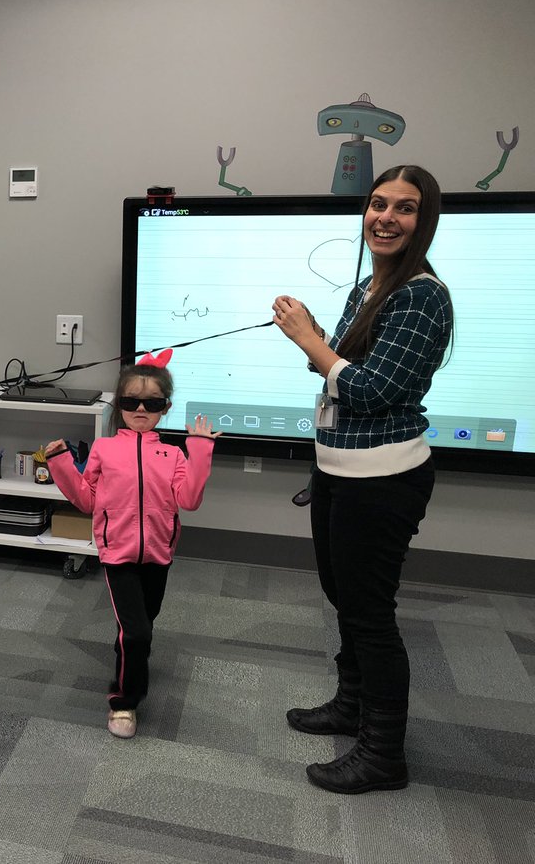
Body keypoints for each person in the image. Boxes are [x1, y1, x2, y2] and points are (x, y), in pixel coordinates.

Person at [272, 164, 453, 794]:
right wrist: (316, 339)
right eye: (379, 203)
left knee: (370, 615)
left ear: (423, 219)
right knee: (344, 597)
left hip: (382, 477)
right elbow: (342, 373)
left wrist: (308, 341)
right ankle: (351, 706)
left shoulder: (422, 295)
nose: (386, 217)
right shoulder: (368, 287)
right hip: (338, 469)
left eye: (405, 208)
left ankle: (383, 754)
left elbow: (373, 390)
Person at [46, 349, 220, 738]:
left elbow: (188, 499)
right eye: (131, 401)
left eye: (152, 402)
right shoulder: (105, 450)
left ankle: (128, 653)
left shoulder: (172, 453)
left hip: (159, 553)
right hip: (118, 554)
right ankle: (123, 702)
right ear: (119, 405)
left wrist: (201, 452)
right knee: (138, 633)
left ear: (165, 407)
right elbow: (86, 499)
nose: (141, 408)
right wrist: (59, 463)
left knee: (143, 623)